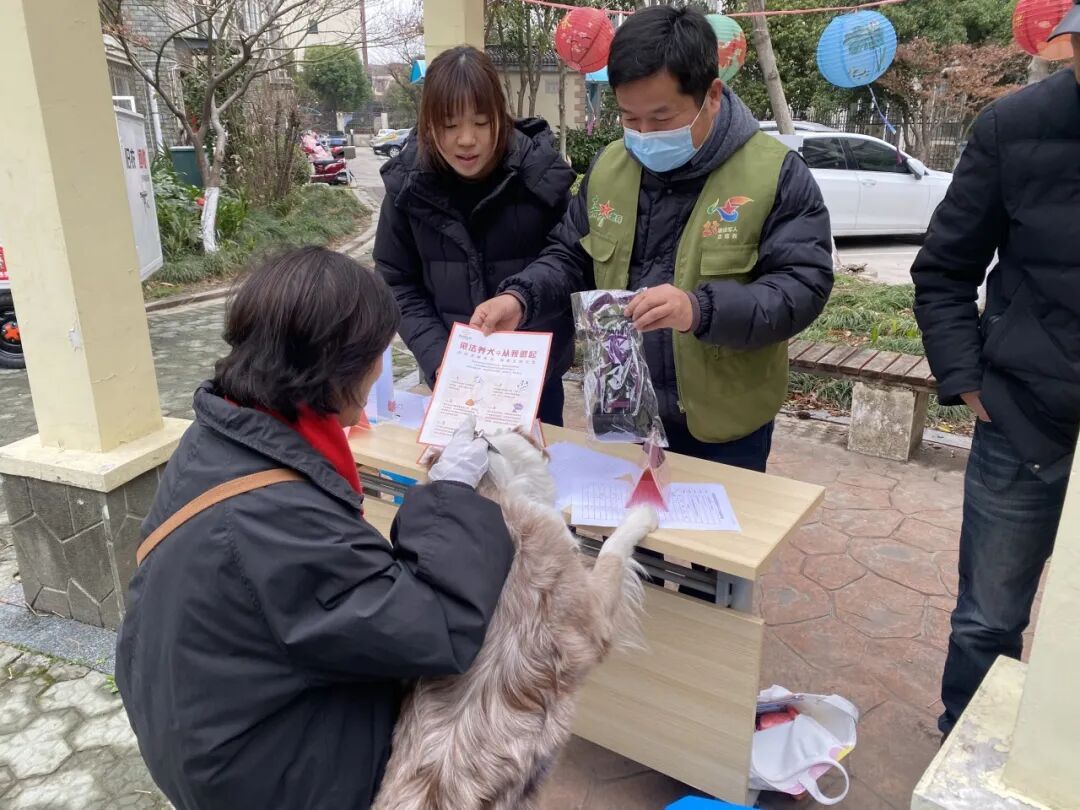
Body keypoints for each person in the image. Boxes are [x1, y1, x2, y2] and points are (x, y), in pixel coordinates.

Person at [115, 247, 514, 809]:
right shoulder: (274, 519)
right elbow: (437, 626)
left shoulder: (220, 433)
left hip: (198, 719)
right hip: (260, 773)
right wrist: (450, 494)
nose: (379, 370)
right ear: (335, 369)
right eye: (377, 356)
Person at [470, 6, 833, 472]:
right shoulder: (609, 168)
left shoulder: (774, 174)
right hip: (624, 415)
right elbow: (569, 256)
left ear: (711, 96)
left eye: (661, 119)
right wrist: (521, 298)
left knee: (720, 521)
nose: (643, 135)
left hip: (724, 425)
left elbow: (801, 287)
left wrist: (698, 309)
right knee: (620, 520)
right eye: (629, 118)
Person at [911, 12, 1080, 738]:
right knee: (988, 617)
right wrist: (970, 382)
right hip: (1022, 420)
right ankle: (965, 745)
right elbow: (944, 269)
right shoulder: (1014, 127)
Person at [374, 45, 577, 426]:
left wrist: (522, 303)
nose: (466, 139)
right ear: (428, 124)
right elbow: (395, 281)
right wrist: (441, 360)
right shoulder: (408, 187)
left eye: (481, 123)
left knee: (537, 464)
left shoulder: (540, 175)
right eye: (449, 126)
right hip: (452, 380)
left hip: (534, 379)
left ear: (501, 115)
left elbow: (569, 262)